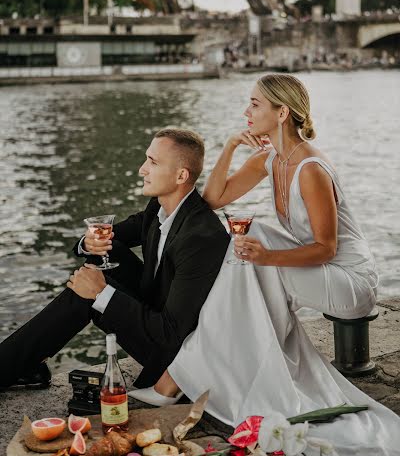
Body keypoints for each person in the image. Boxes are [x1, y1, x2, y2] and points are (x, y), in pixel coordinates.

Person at [131, 75, 400, 455]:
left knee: (255, 242)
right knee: (249, 246)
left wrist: (266, 256)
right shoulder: (271, 158)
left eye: (255, 104)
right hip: (308, 272)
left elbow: (326, 248)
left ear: (282, 112)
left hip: (348, 281)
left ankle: (177, 377)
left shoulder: (310, 169)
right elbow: (212, 198)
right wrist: (228, 147)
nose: (247, 111)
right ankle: (190, 374)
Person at [0, 128, 229, 390]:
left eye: (153, 162)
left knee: (88, 292)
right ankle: (23, 363)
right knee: (105, 252)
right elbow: (108, 236)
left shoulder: (200, 237)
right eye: (147, 159)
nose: (142, 169)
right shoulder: (160, 207)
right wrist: (88, 242)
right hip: (156, 313)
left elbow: (171, 335)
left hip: (173, 356)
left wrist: (101, 293)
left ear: (181, 175)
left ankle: (10, 364)